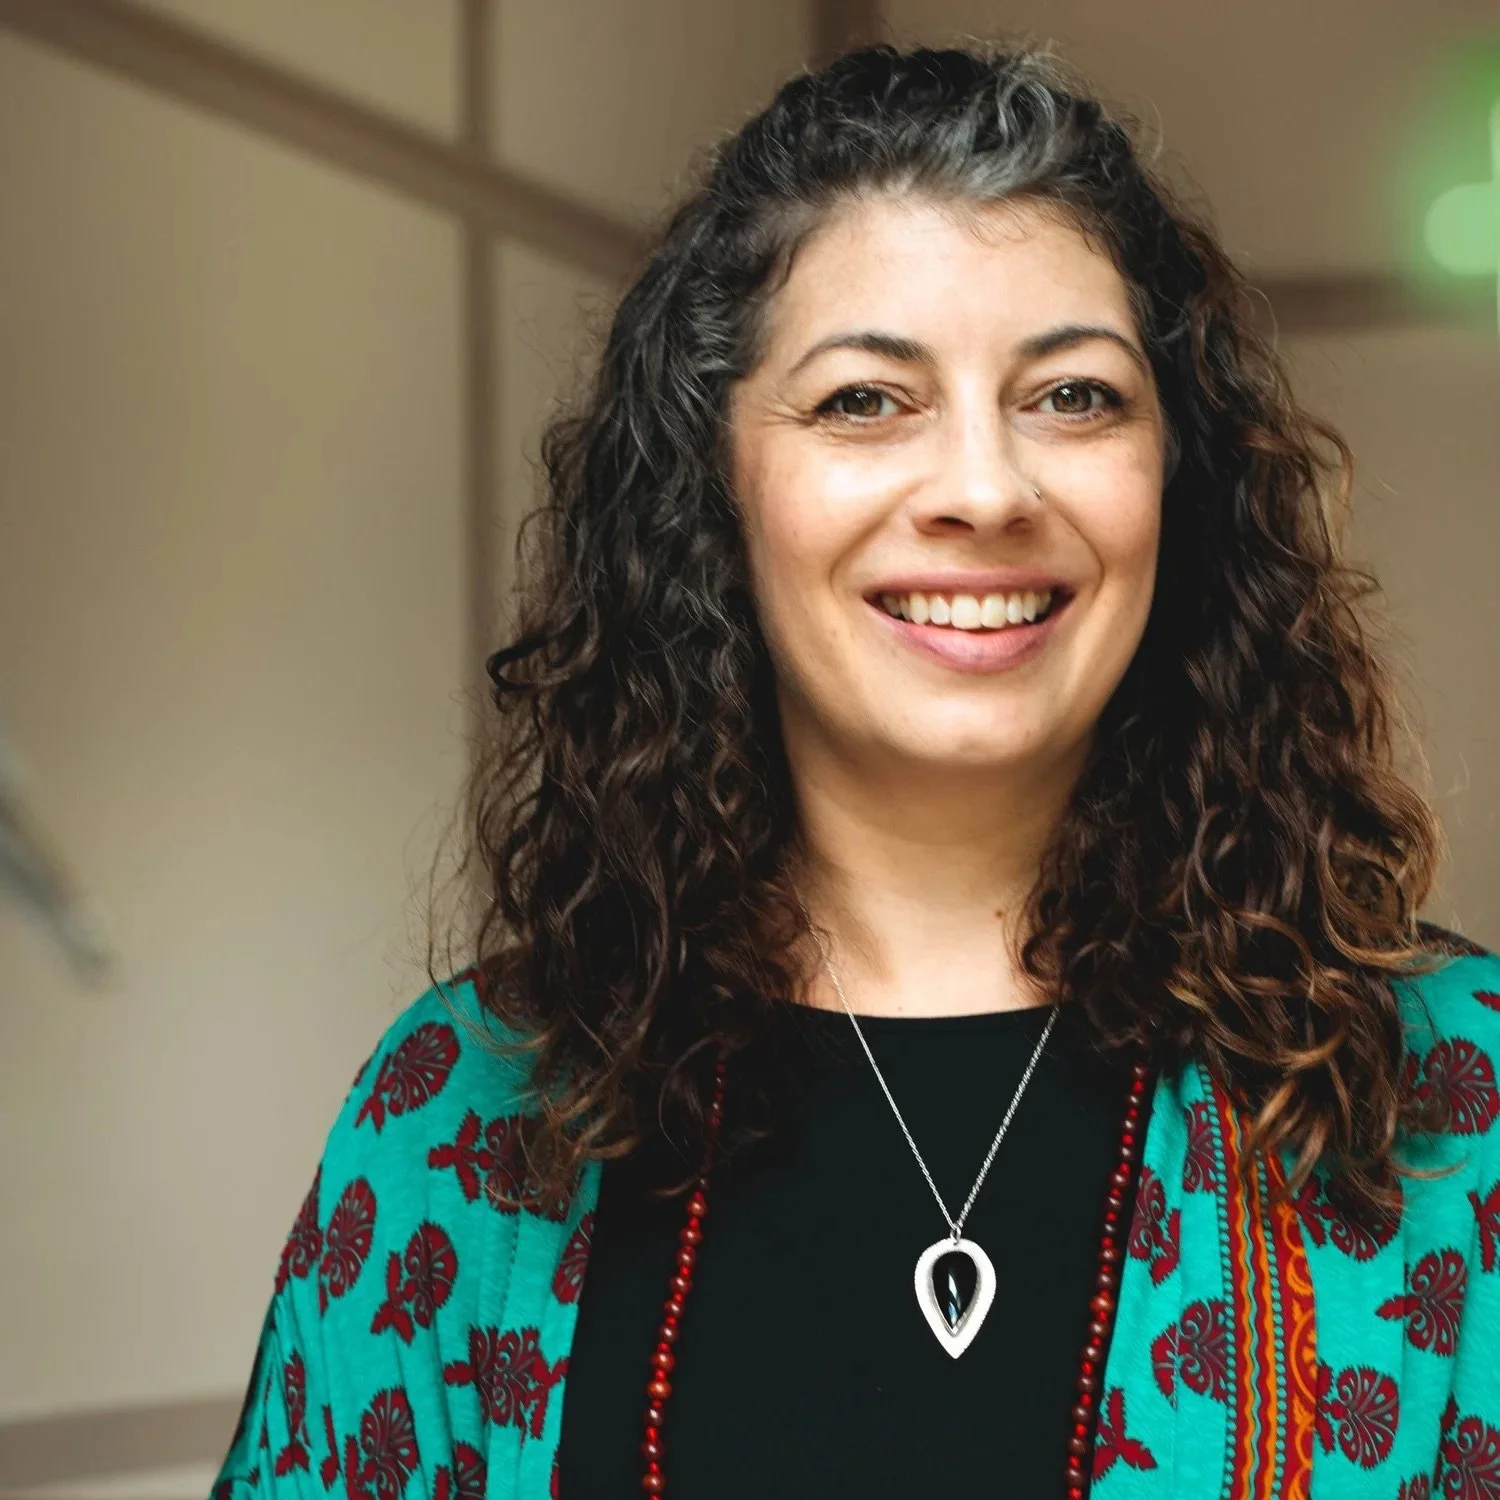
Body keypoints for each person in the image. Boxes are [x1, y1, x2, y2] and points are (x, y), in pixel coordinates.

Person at [209, 42, 1500, 1500]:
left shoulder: (1457, 1094)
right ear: (717, 488)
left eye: (1073, 397)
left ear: (1175, 482)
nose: (983, 488)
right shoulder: (465, 1113)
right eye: (864, 402)